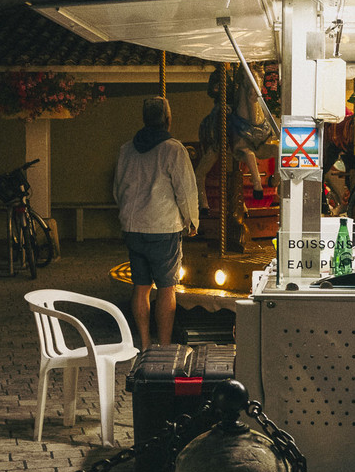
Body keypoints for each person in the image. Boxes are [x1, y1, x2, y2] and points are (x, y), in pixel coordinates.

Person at [116, 96, 199, 348]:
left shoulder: (127, 149)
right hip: (163, 227)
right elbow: (185, 190)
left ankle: (144, 343)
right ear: (168, 119)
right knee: (166, 288)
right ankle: (163, 346)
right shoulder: (173, 149)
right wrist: (191, 220)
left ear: (144, 119)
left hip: (133, 226)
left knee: (140, 287)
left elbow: (118, 188)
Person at [195, 64, 273, 209]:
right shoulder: (217, 75)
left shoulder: (233, 76)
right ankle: (217, 142)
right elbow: (212, 91)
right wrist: (219, 90)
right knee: (221, 119)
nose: (229, 63)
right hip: (222, 105)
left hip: (235, 105)